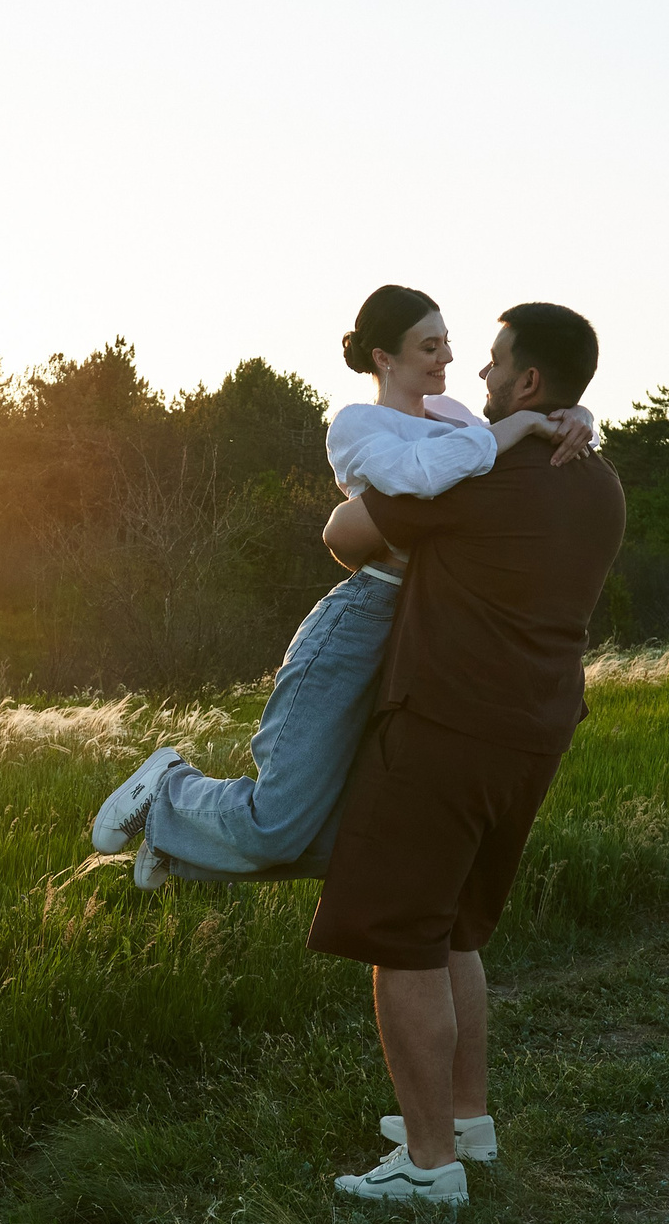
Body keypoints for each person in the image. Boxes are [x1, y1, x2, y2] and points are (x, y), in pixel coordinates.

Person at [90, 285, 595, 886]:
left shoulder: (461, 416)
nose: (446, 360)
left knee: (364, 835)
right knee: (278, 822)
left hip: (425, 627)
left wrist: (576, 416)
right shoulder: (359, 425)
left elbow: (530, 446)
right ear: (385, 357)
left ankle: (177, 849)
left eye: (447, 344)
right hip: (361, 620)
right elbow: (419, 477)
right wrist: (513, 432)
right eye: (428, 347)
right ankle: (167, 787)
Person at [311, 302, 626, 1206]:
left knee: (401, 934)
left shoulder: (475, 479)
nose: (479, 378)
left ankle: (427, 1162)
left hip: (447, 725)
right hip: (536, 730)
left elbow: (344, 537)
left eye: (493, 365)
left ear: (530, 382)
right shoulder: (600, 481)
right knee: (454, 926)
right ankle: (467, 1121)